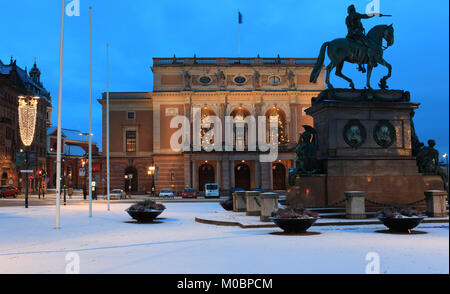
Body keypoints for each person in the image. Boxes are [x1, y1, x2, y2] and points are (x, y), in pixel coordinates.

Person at [345, 4, 382, 72]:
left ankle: (359, 65)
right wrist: (375, 14)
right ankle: (371, 61)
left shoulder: (347, 18)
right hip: (358, 35)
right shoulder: (355, 14)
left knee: (359, 47)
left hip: (350, 36)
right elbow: (365, 16)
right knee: (370, 45)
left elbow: (349, 27)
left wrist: (352, 31)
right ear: (353, 9)